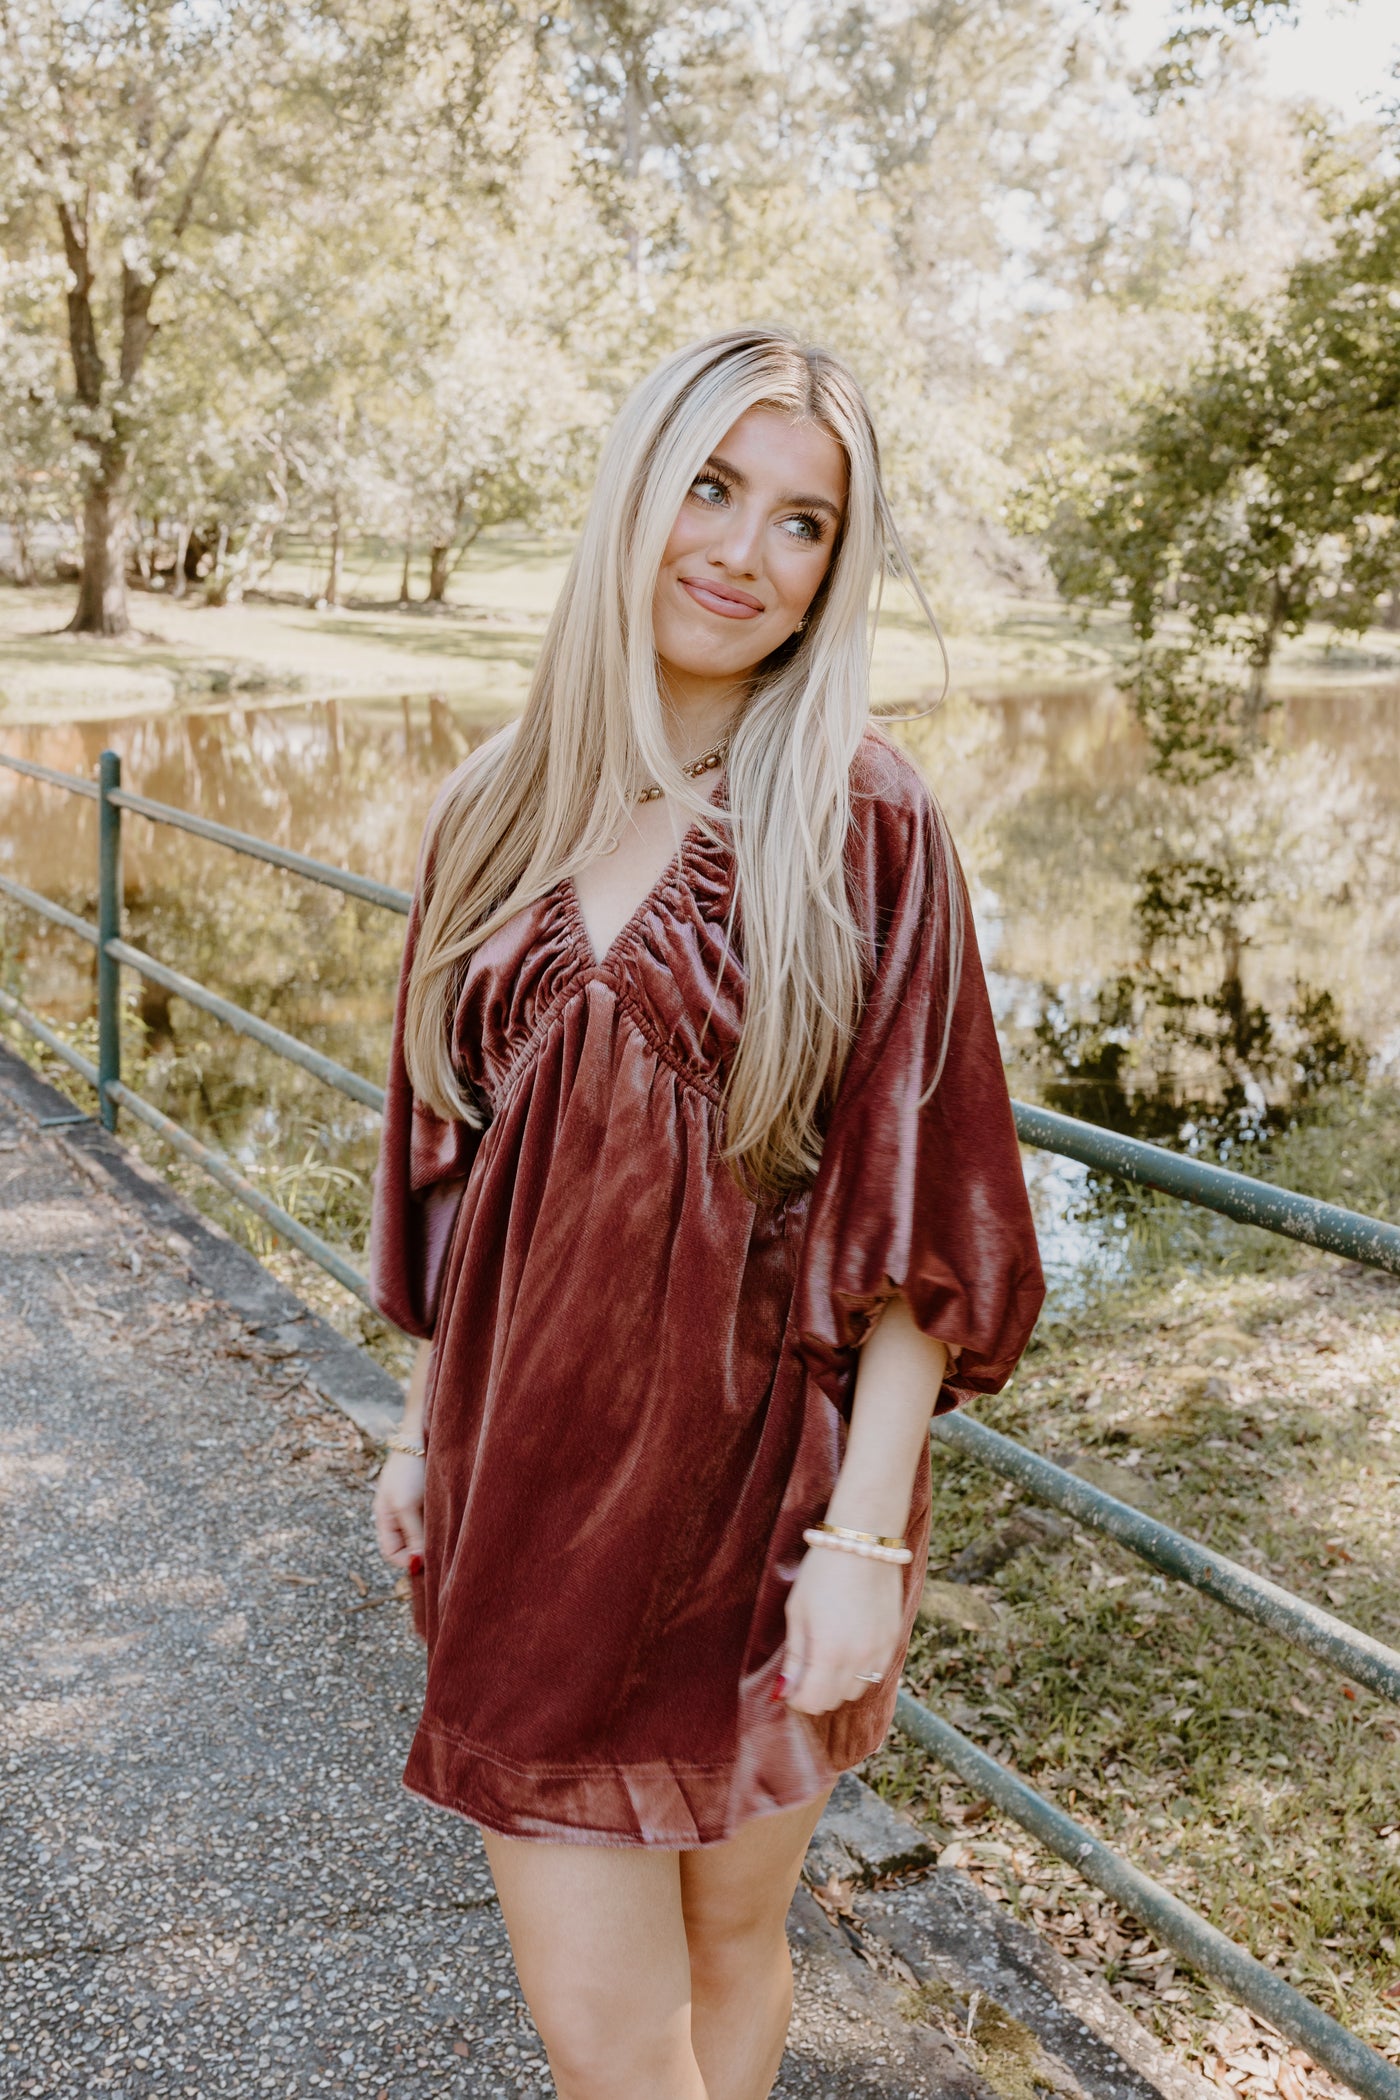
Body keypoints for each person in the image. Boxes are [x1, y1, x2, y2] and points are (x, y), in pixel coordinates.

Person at [368, 326, 1044, 2100]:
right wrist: (421, 1438)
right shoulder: (490, 811)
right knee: (606, 2038)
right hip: (535, 1511)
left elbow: (928, 1218)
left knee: (739, 1943)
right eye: (715, 488)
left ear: (839, 568)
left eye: (805, 523)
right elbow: (456, 1186)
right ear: (637, 495)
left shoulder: (864, 819)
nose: (744, 552)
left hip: (769, 1505)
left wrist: (866, 1546)